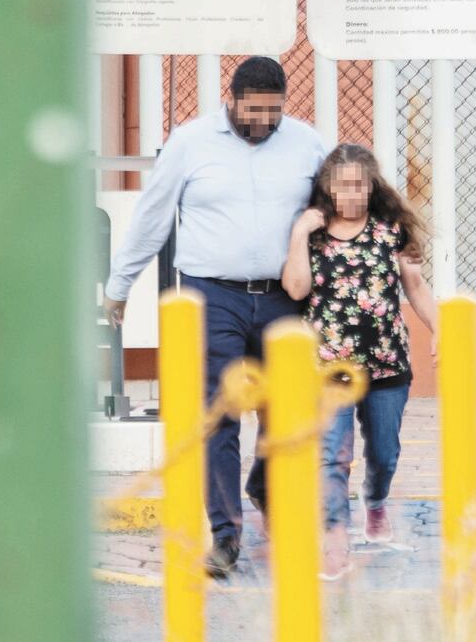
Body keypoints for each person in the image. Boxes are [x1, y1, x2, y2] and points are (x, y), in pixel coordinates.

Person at [103, 57, 328, 578]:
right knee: (220, 413)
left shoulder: (306, 143)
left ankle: (266, 489)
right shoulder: (190, 142)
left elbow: (338, 208)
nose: (264, 123)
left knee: (286, 412)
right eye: (254, 112)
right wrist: (119, 288)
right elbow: (153, 217)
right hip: (212, 296)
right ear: (232, 99)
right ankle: (226, 535)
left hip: (283, 300)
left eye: (273, 112)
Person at [282, 143, 437, 580]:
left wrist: (442, 330)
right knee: (332, 457)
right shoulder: (312, 234)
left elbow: (417, 289)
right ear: (327, 188)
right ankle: (334, 542)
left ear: (372, 186)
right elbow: (295, 290)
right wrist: (298, 233)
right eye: (342, 185)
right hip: (328, 370)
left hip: (387, 365)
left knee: (384, 454)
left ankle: (375, 503)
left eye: (359, 185)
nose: (351, 193)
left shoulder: (391, 231)